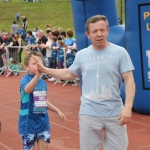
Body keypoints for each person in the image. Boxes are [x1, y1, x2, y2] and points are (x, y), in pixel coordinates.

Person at [33, 15, 135, 150]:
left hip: (115, 112)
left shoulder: (120, 52)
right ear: (88, 34)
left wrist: (127, 107)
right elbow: (70, 73)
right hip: (89, 113)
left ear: (108, 31)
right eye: (94, 31)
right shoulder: (82, 55)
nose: (99, 34)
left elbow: (129, 80)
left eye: (102, 30)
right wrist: (46, 69)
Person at [18, 51, 65, 150]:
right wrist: (36, 76)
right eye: (34, 63)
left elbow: (43, 100)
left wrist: (57, 110)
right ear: (26, 67)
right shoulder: (25, 80)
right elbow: (27, 90)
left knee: (44, 147)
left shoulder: (43, 83)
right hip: (28, 122)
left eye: (39, 63)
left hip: (42, 121)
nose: (38, 65)